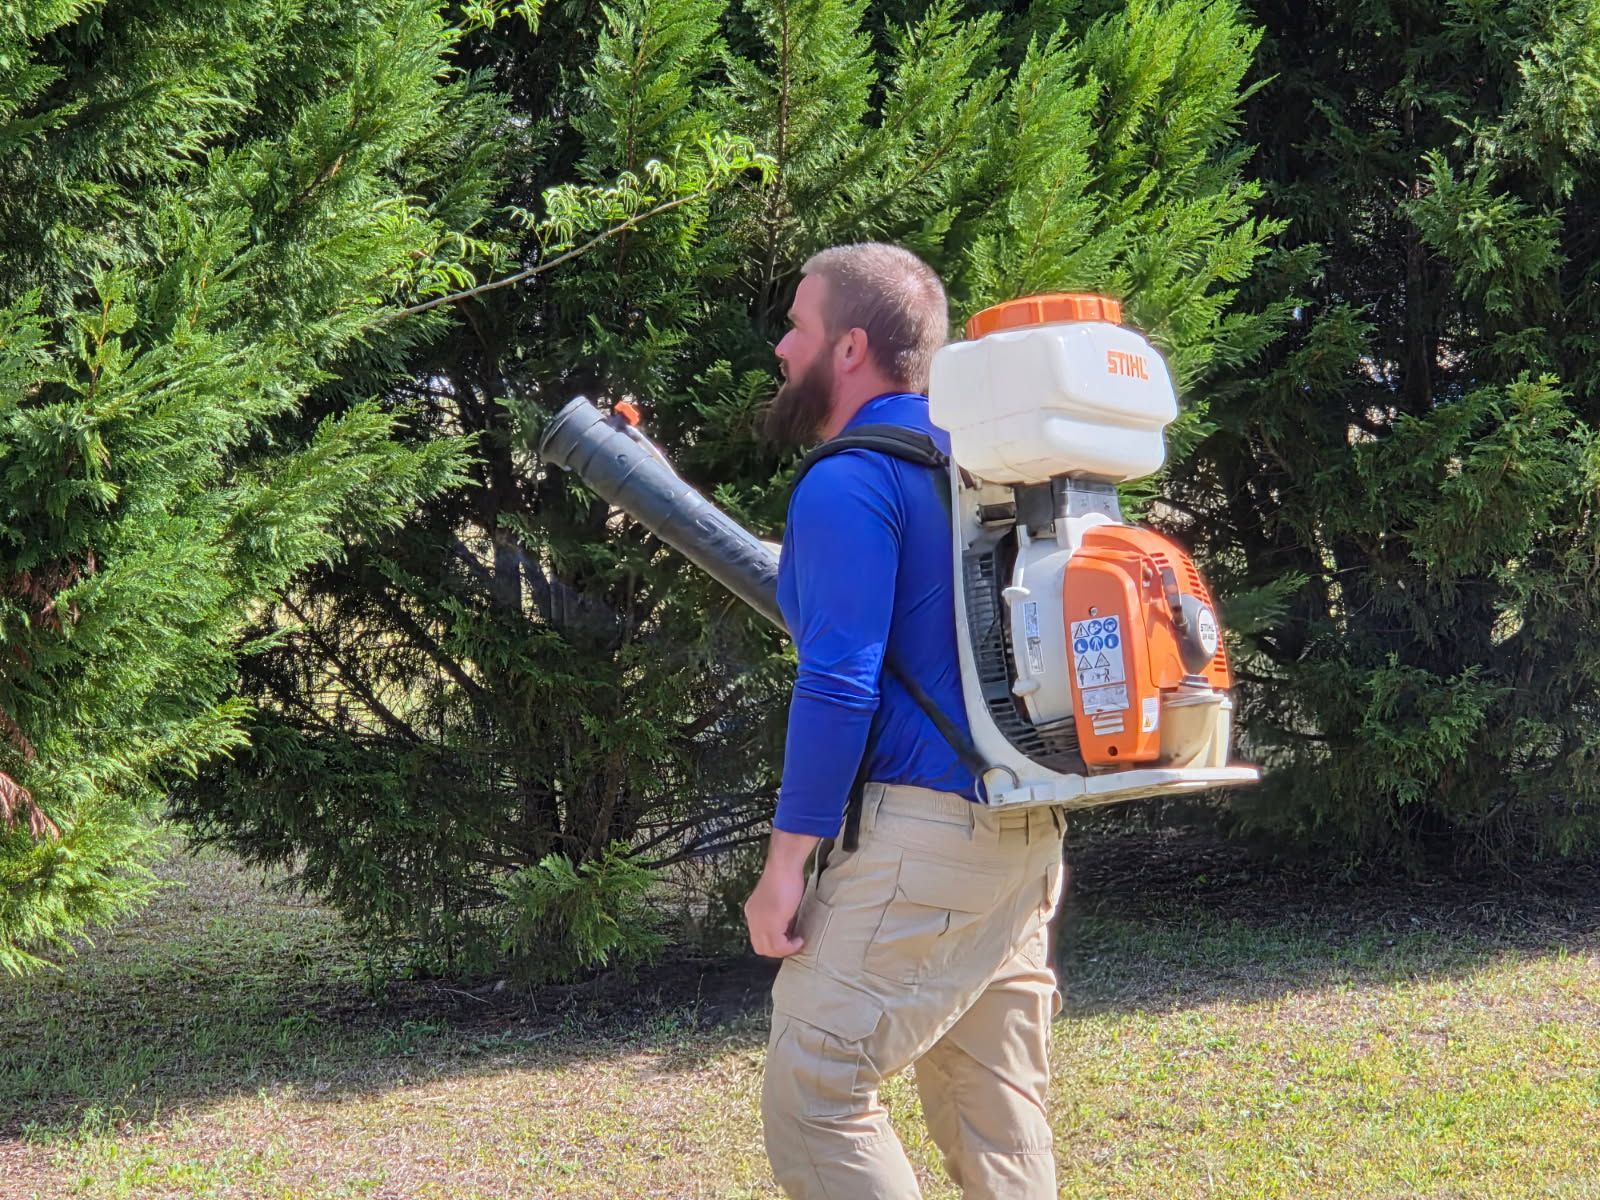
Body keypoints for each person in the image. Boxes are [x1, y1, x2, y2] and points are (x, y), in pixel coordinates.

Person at [746, 242, 1068, 1200]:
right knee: (994, 1112)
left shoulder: (848, 482)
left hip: (926, 845)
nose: (779, 345)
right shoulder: (985, 466)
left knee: (816, 1088)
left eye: (796, 326)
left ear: (848, 349)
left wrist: (784, 865)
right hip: (1027, 825)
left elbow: (839, 684)